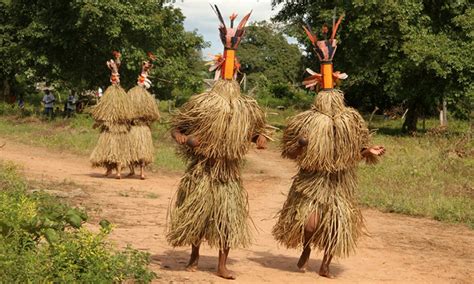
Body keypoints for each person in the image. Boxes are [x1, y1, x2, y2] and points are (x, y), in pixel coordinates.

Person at [272, 15, 386, 278]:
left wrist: (368, 152)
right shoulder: (306, 120)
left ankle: (325, 264)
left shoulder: (350, 119)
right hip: (312, 181)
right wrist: (300, 147)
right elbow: (288, 151)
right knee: (310, 224)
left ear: (336, 84)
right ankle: (307, 247)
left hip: (339, 183)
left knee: (338, 224)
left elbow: (357, 148)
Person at [167, 6, 270, 280]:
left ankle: (222, 264)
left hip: (229, 175)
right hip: (202, 172)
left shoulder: (246, 108)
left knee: (228, 220)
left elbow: (255, 132)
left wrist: (258, 138)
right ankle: (194, 256)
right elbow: (177, 127)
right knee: (197, 216)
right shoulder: (203, 103)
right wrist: (186, 138)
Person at [90, 51, 134, 179]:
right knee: (111, 151)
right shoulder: (113, 98)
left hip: (115, 130)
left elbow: (128, 115)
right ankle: (113, 171)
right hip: (113, 130)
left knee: (116, 151)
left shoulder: (120, 100)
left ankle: (117, 172)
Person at [127, 55, 160, 179]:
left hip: (135, 128)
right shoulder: (147, 98)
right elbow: (155, 116)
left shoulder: (132, 94)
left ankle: (134, 171)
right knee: (141, 151)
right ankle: (141, 172)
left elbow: (126, 112)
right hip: (143, 128)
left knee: (133, 150)